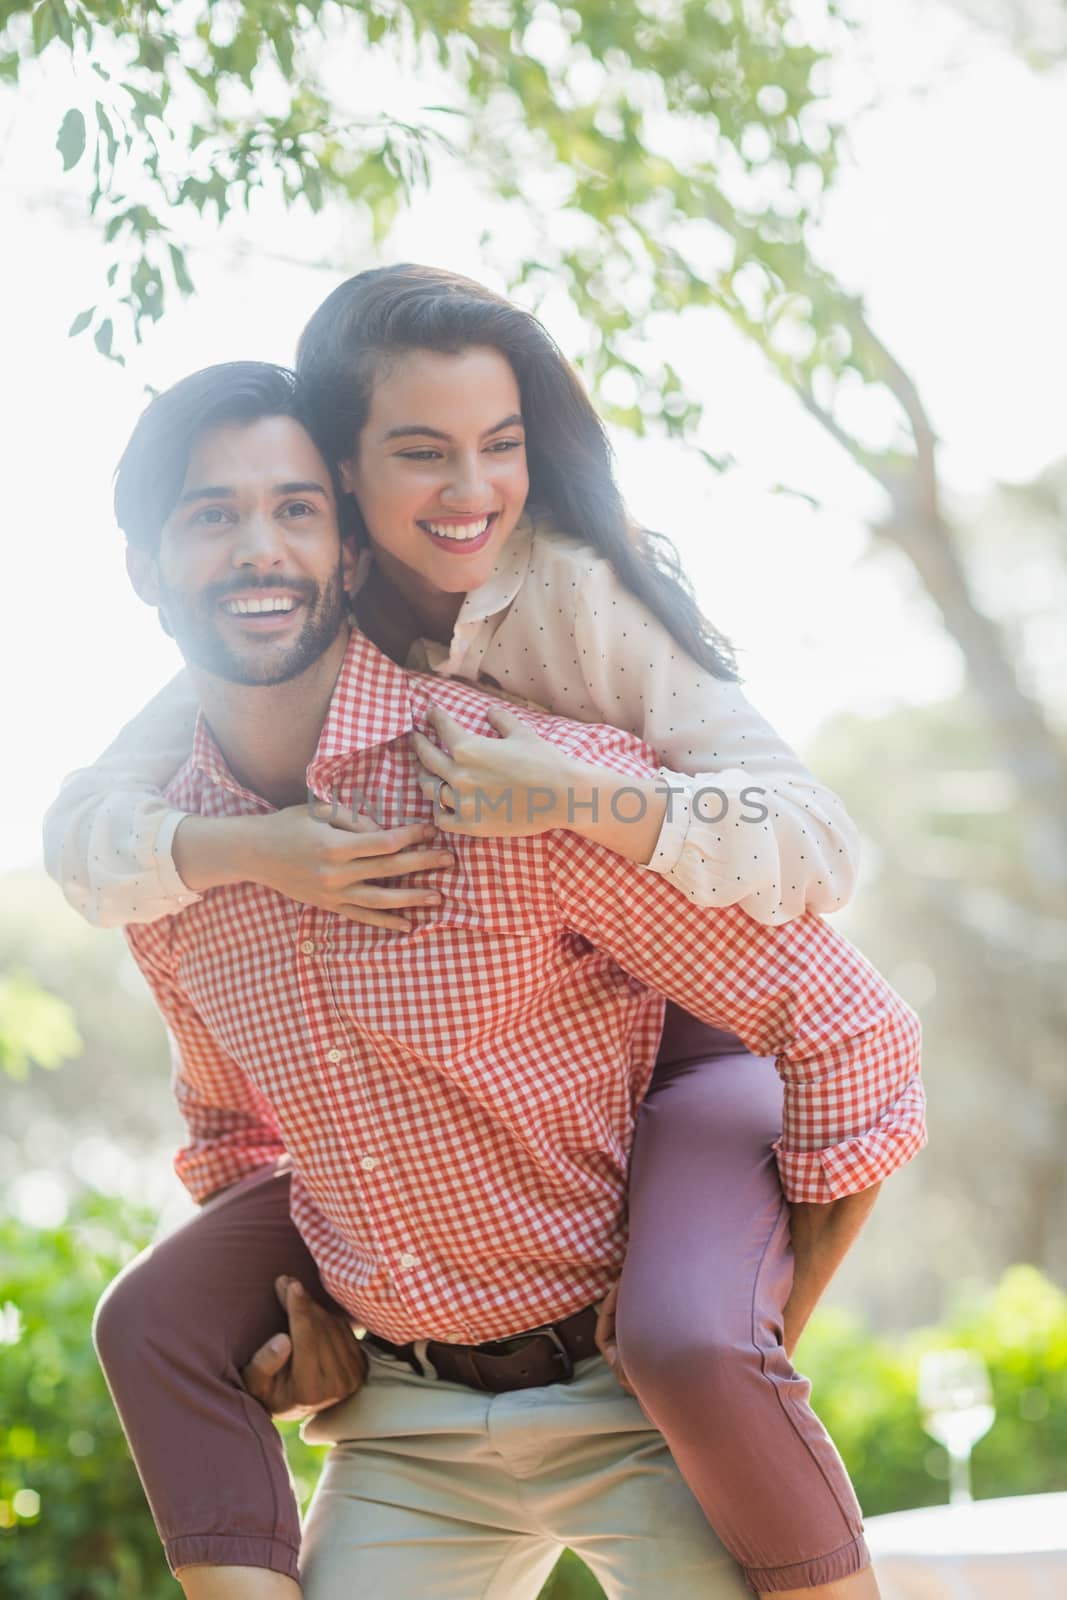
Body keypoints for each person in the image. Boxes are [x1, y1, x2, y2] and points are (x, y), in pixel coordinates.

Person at [42, 283, 922, 1600]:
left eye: (289, 512)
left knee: (697, 1351)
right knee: (146, 1318)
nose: (257, 550)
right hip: (409, 1426)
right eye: (210, 518)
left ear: (341, 542)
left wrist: (755, 1329)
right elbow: (229, 1121)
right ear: (146, 566)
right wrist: (301, 1321)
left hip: (640, 1335)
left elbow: (838, 971)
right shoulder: (177, 853)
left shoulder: (529, 698)